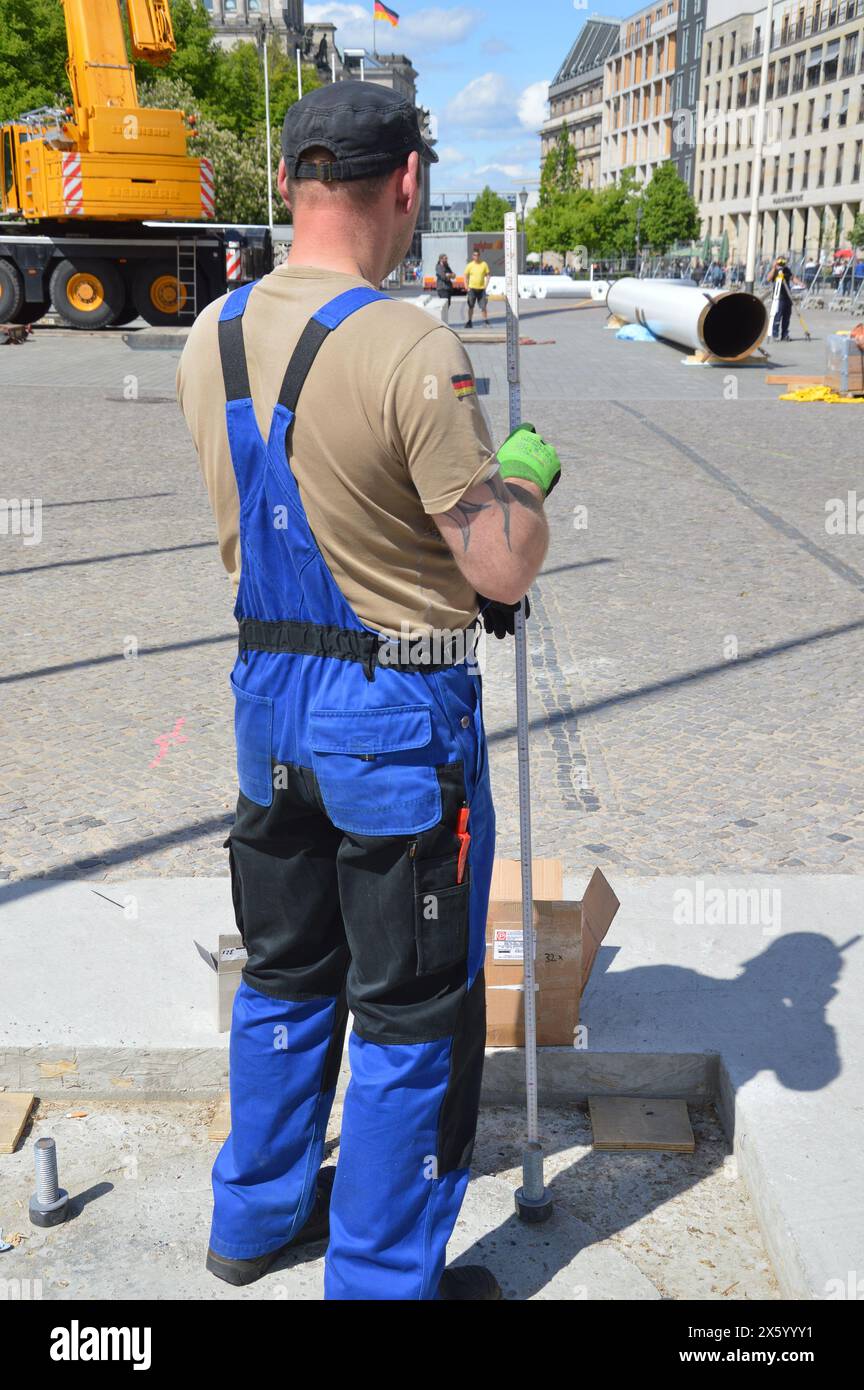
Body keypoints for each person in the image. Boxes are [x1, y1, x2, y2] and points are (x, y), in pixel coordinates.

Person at [176, 80, 560, 1301]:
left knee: (286, 972)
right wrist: (523, 480)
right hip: (396, 725)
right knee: (410, 1011)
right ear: (406, 186)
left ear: (290, 181)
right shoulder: (409, 343)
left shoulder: (212, 330)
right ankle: (383, 1281)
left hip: (266, 711)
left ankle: (255, 1215)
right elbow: (492, 560)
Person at [768, 255, 794, 340]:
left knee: (787, 316)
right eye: (780, 261)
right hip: (779, 297)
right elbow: (768, 278)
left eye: (783, 262)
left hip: (787, 295)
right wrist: (774, 267)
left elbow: (792, 277)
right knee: (777, 315)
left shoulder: (786, 270)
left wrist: (800, 283)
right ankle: (775, 333)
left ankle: (785, 334)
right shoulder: (774, 270)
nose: (781, 264)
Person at [463, 247, 490, 327]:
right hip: (472, 289)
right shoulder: (470, 265)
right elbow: (465, 276)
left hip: (481, 289)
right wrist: (466, 286)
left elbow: (488, 275)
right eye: (475, 255)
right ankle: (469, 321)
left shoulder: (484, 264)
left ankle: (485, 321)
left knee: (483, 306)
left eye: (477, 255)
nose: (476, 256)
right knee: (471, 306)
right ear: (472, 256)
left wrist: (486, 285)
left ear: (479, 255)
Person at [435, 251, 455, 323]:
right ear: (441, 259)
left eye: (447, 258)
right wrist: (449, 275)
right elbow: (443, 277)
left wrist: (448, 275)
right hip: (442, 288)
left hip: (448, 288)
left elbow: (454, 275)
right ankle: (441, 321)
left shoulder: (447, 266)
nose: (446, 260)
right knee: (444, 305)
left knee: (448, 304)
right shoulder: (439, 267)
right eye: (445, 258)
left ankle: (444, 320)